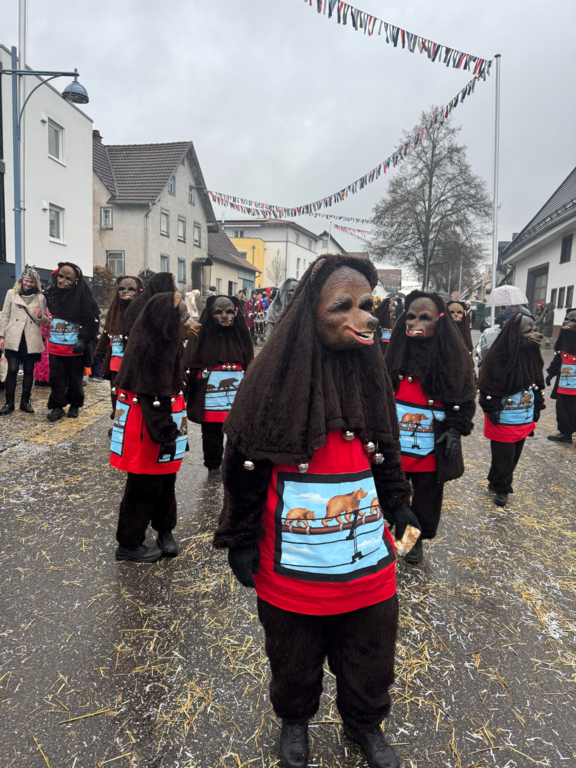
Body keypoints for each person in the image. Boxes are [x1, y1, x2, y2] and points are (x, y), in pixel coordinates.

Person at [214, 255, 420, 768]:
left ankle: (364, 723)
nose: (364, 316)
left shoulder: (371, 374)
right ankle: (295, 721)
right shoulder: (271, 380)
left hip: (363, 553)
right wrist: (240, 533)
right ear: (312, 312)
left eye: (367, 304)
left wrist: (398, 502)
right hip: (292, 559)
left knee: (371, 648)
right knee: (293, 651)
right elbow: (244, 462)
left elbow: (386, 447)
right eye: (342, 306)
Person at [385, 291, 476, 563]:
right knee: (391, 493)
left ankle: (413, 542)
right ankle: (391, 535)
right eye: (410, 317)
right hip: (396, 446)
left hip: (430, 449)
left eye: (424, 317)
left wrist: (456, 429)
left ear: (439, 321)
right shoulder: (394, 355)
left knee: (426, 499)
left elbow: (465, 397)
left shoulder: (454, 359)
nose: (415, 323)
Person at [111, 292, 199, 562]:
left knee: (166, 479)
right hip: (149, 427)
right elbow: (152, 397)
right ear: (166, 321)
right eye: (183, 318)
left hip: (166, 422)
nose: (190, 323)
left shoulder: (170, 344)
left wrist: (176, 433)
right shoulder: (150, 350)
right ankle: (129, 542)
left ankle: (164, 529)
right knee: (144, 484)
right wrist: (167, 433)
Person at [478, 311, 545, 506]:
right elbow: (487, 384)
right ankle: (502, 487)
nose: (536, 334)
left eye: (535, 329)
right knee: (504, 455)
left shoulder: (531, 356)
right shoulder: (498, 356)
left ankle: (495, 479)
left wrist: (537, 405)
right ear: (515, 333)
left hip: (523, 415)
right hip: (503, 416)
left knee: (514, 454)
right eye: (528, 331)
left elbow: (537, 382)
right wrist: (491, 407)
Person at [184, 295, 253, 479]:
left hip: (236, 396)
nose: (224, 316)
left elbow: (250, 365)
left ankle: (234, 465)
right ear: (210, 314)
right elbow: (190, 365)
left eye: (229, 312)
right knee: (211, 433)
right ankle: (213, 464)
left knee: (237, 432)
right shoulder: (199, 339)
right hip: (210, 397)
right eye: (218, 312)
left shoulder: (241, 338)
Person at [44, 262, 100, 421]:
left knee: (75, 378)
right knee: (56, 378)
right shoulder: (51, 294)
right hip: (55, 345)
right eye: (60, 276)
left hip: (74, 347)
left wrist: (83, 339)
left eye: (68, 278)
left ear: (75, 280)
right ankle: (57, 406)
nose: (62, 281)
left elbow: (92, 320)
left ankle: (75, 404)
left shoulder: (83, 297)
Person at [94, 276, 144, 433]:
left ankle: (135, 423)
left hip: (135, 364)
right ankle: (118, 422)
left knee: (134, 394)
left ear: (139, 292)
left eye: (131, 289)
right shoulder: (113, 309)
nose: (125, 292)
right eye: (121, 289)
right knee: (116, 393)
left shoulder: (143, 310)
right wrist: (98, 353)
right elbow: (106, 332)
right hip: (115, 361)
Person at [0, 267, 49, 415]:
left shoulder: (40, 297)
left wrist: (40, 316)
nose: (28, 284)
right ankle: (9, 403)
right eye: (26, 281)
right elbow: (5, 315)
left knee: (28, 370)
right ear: (21, 280)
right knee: (12, 369)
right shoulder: (11, 293)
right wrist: (1, 336)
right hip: (14, 336)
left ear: (36, 283)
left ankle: (25, 402)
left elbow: (45, 321)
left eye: (31, 282)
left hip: (31, 338)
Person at [546, 307, 576, 443]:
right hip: (564, 382)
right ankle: (565, 433)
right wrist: (551, 373)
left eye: (573, 320)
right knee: (562, 408)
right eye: (566, 319)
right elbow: (558, 357)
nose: (567, 322)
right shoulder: (563, 339)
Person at [121, 272, 175, 342]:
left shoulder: (164, 303)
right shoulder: (141, 304)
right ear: (164, 285)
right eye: (172, 283)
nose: (174, 287)